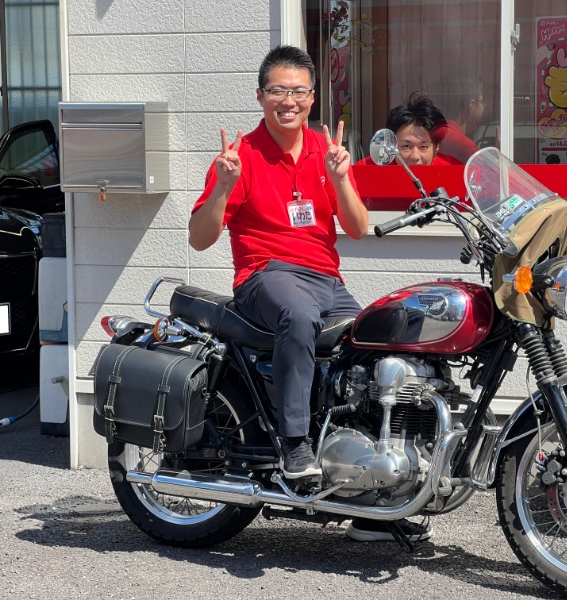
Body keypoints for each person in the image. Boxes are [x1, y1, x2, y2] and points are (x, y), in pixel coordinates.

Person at [189, 45, 431, 544]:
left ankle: (369, 497)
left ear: (313, 97)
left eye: (298, 91)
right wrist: (222, 187)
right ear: (260, 96)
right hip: (265, 274)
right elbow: (199, 238)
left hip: (325, 278)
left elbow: (358, 228)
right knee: (298, 317)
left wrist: (341, 179)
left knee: (376, 342)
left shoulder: (327, 151)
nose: (289, 101)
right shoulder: (241, 157)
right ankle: (294, 444)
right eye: (278, 90)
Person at [357, 92, 463, 167]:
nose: (415, 156)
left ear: (436, 148)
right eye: (406, 146)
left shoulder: (452, 169)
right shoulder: (368, 168)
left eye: (423, 147)